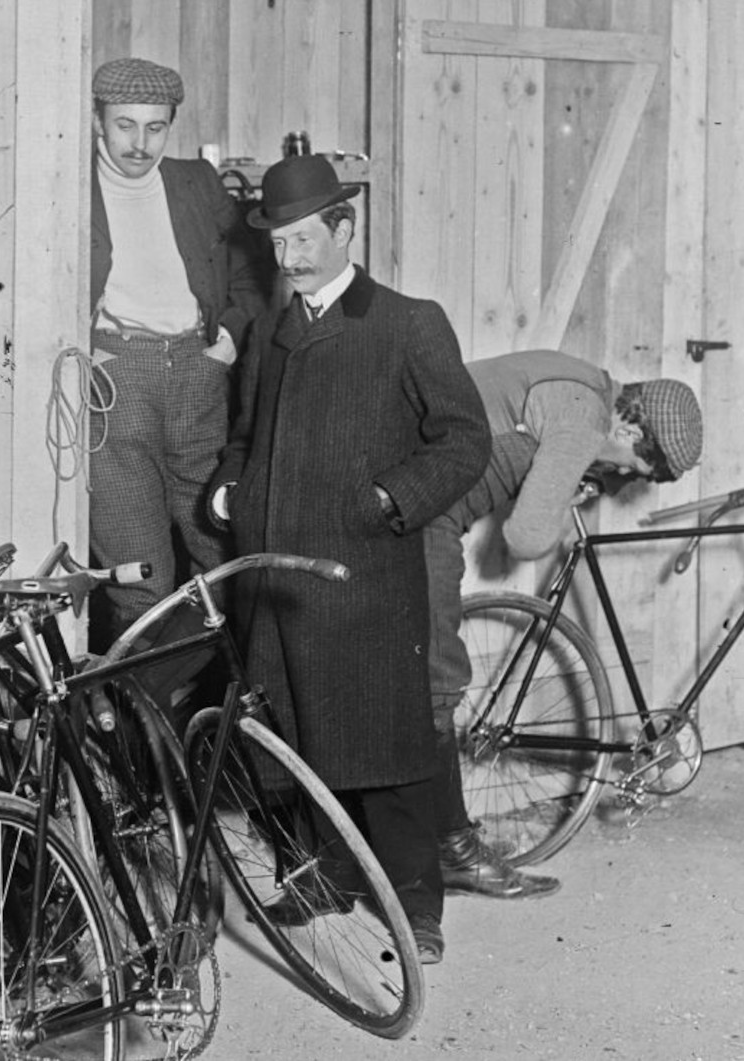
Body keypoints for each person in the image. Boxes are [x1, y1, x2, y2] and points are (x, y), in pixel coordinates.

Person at [207, 154, 492, 964]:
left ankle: (414, 902)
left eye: (304, 239)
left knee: (385, 747)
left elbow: (464, 440)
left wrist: (388, 503)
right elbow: (243, 437)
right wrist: (231, 491)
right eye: (278, 243)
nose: (289, 258)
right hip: (276, 574)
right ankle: (323, 873)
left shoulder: (408, 323)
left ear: (344, 228)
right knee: (293, 738)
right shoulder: (271, 330)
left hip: (364, 576)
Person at [426, 348, 704, 897]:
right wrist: (554, 503)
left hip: (422, 496)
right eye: (631, 464)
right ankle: (451, 852)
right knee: (437, 683)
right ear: (627, 423)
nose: (621, 473)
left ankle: (441, 837)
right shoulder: (583, 418)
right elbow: (526, 537)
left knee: (428, 680)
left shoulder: (585, 386)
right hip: (420, 514)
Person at [87, 57, 266, 651]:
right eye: (125, 126)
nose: (140, 144)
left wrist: (227, 343)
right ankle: (143, 735)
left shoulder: (196, 183)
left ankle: (220, 725)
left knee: (223, 552)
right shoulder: (68, 185)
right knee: (140, 576)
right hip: (118, 379)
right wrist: (88, 353)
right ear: (97, 122)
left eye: (155, 127)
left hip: (198, 371)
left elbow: (249, 275)